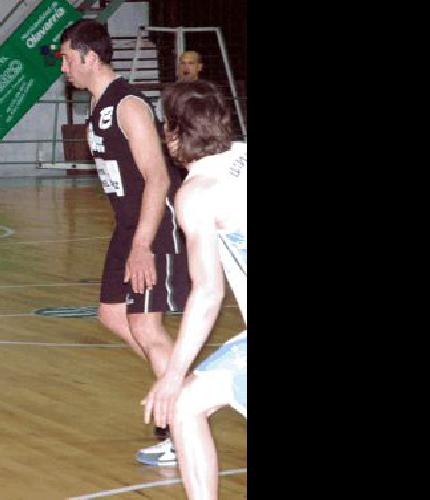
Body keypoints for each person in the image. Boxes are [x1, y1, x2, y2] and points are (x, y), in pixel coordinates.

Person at [58, 19, 191, 466]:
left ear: (88, 57)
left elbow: (157, 177)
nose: (63, 68)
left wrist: (143, 245)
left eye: (66, 58)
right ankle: (184, 388)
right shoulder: (99, 106)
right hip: (128, 225)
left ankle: (180, 423)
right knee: (113, 315)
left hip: (155, 225)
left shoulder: (128, 104)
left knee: (147, 328)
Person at [142, 79, 246, 500]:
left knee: (181, 402)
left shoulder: (198, 192)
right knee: (188, 405)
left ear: (174, 134)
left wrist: (171, 374)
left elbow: (207, 294)